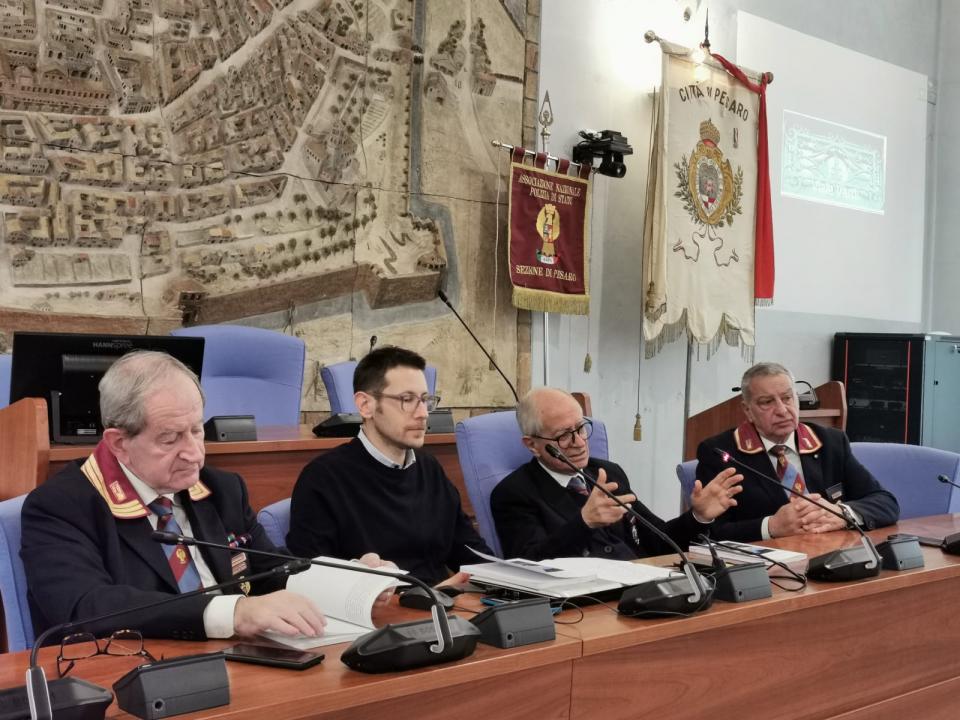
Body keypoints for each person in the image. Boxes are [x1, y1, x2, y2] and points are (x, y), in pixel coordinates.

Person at [21, 350, 327, 642]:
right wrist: (232, 613)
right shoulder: (60, 506)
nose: (194, 454)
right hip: (135, 673)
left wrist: (354, 583)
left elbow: (272, 570)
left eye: (196, 430)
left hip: (241, 660)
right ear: (119, 444)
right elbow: (86, 608)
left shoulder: (223, 489)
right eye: (170, 438)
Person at [287, 346, 492, 585]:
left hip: (444, 607)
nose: (423, 413)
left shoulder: (430, 468)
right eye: (407, 400)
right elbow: (310, 580)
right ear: (365, 405)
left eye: (425, 400)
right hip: (377, 616)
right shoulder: (323, 478)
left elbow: (472, 554)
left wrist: (507, 580)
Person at [490, 387, 744, 561]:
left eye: (580, 428)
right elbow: (529, 566)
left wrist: (697, 517)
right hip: (584, 605)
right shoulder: (514, 493)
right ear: (532, 445)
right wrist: (584, 523)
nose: (578, 442)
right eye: (563, 436)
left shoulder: (607, 473)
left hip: (640, 586)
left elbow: (660, 540)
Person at [695, 362, 900, 542]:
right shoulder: (720, 453)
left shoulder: (830, 441)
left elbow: (885, 503)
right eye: (767, 402)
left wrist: (842, 513)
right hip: (770, 569)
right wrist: (771, 526)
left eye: (787, 398)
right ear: (747, 410)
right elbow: (710, 532)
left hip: (832, 553)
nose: (782, 410)